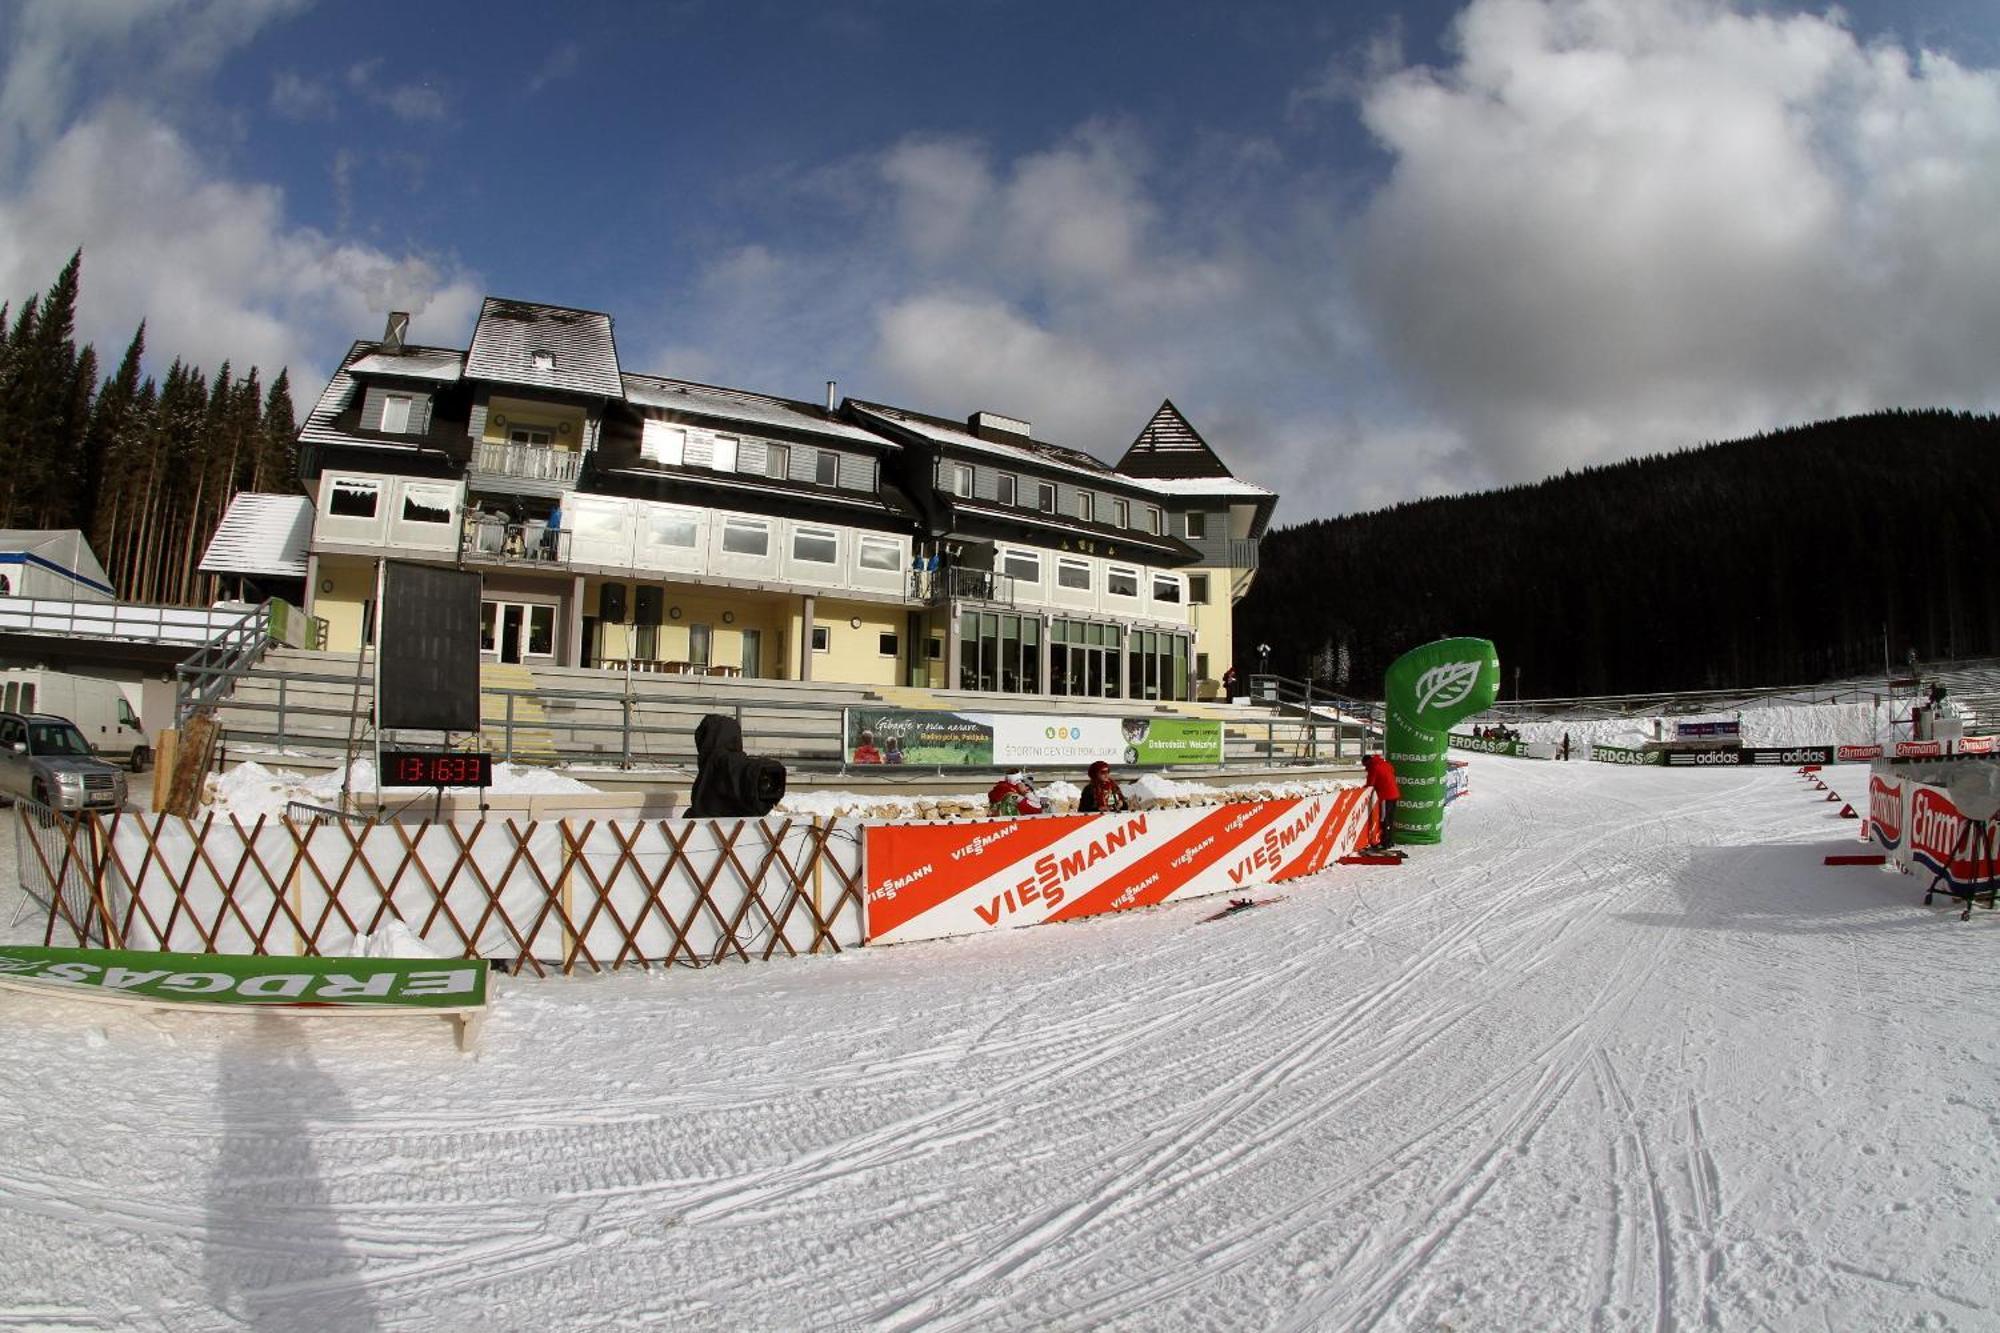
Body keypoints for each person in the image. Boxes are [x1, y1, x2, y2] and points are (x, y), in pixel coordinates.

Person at [1361, 752, 1401, 851]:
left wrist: (1365, 789)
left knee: (1384, 819)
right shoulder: (1385, 763)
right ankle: (1390, 840)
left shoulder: (1373, 767)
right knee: (1390, 818)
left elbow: (1370, 783)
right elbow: (1392, 771)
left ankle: (1385, 842)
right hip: (1394, 793)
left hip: (1385, 795)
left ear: (1367, 762)